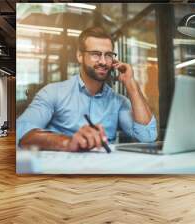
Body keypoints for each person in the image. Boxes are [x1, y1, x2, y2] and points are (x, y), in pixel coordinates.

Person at [17, 26, 157, 152]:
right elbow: (22, 133)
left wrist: (131, 83)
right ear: (79, 55)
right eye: (95, 54)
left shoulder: (118, 101)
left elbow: (147, 137)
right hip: (63, 175)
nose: (103, 61)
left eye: (108, 55)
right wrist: (68, 142)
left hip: (105, 173)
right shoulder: (53, 93)